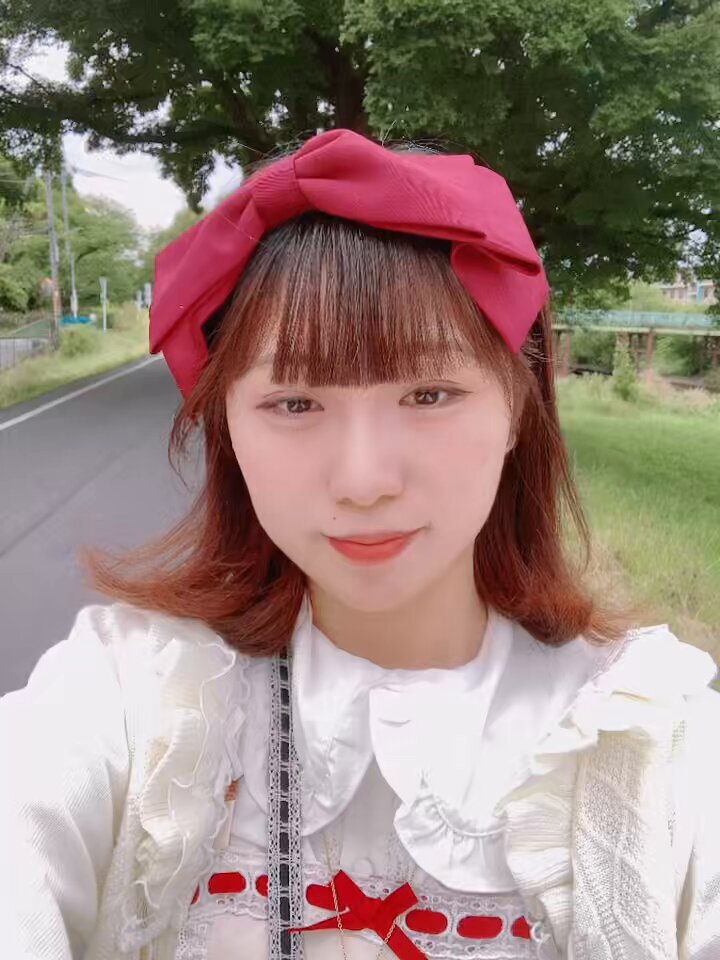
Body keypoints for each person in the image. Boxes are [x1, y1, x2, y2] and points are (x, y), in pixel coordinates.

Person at [0, 129, 718, 960]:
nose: (364, 480)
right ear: (226, 424)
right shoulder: (133, 699)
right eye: (296, 404)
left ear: (520, 405)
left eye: (430, 393)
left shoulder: (655, 745)